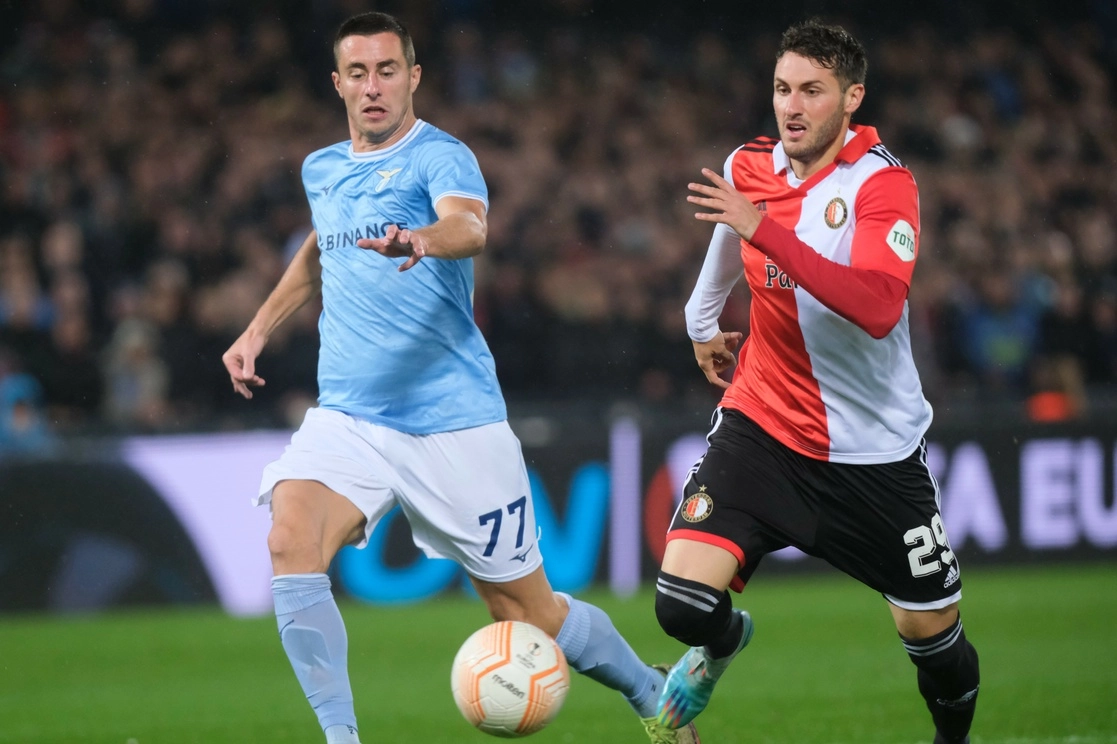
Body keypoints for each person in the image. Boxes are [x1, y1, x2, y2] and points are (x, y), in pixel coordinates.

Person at [221, 12, 697, 744]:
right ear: (337, 84)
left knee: (530, 616)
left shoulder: (441, 157)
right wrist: (258, 328)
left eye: (387, 71)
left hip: (453, 424)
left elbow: (469, 226)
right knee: (289, 540)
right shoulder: (322, 167)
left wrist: (420, 239)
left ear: (412, 77)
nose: (373, 87)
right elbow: (325, 249)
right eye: (358, 73)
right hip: (350, 416)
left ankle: (647, 689)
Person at [651, 19, 980, 744]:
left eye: (810, 90)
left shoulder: (882, 184)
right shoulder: (749, 167)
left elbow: (874, 304)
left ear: (850, 97)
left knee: (933, 639)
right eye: (779, 88)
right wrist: (700, 320)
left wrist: (763, 229)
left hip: (871, 456)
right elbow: (725, 228)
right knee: (677, 602)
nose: (790, 106)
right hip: (762, 430)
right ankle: (722, 641)